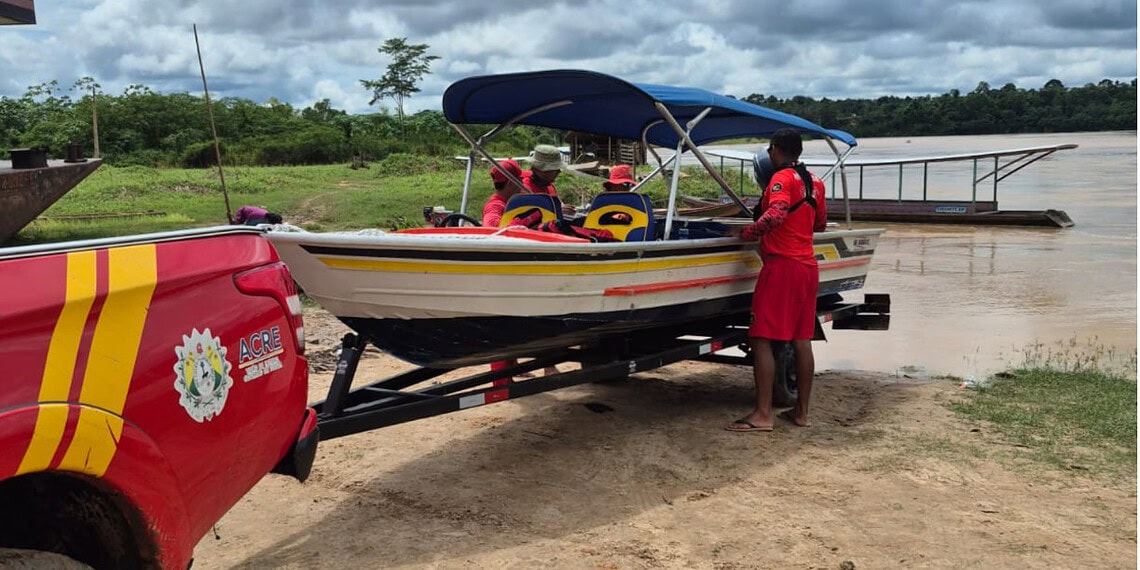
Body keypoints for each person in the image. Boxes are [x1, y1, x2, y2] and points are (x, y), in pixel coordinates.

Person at [726, 128, 828, 432]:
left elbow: (776, 214)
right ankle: (801, 413)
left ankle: (763, 414)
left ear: (774, 151)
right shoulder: (816, 183)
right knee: (801, 340)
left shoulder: (780, 179)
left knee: (761, 339)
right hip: (808, 268)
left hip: (781, 267)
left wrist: (745, 234)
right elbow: (819, 224)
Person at [524, 144, 577, 215]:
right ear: (542, 170)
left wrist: (565, 209)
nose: (559, 172)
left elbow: (560, 205)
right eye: (555, 169)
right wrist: (556, 211)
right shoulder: (524, 190)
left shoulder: (550, 187)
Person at [482, 159, 525, 227]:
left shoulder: (514, 199)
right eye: (520, 181)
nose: (522, 184)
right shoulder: (495, 206)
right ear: (510, 183)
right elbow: (490, 226)